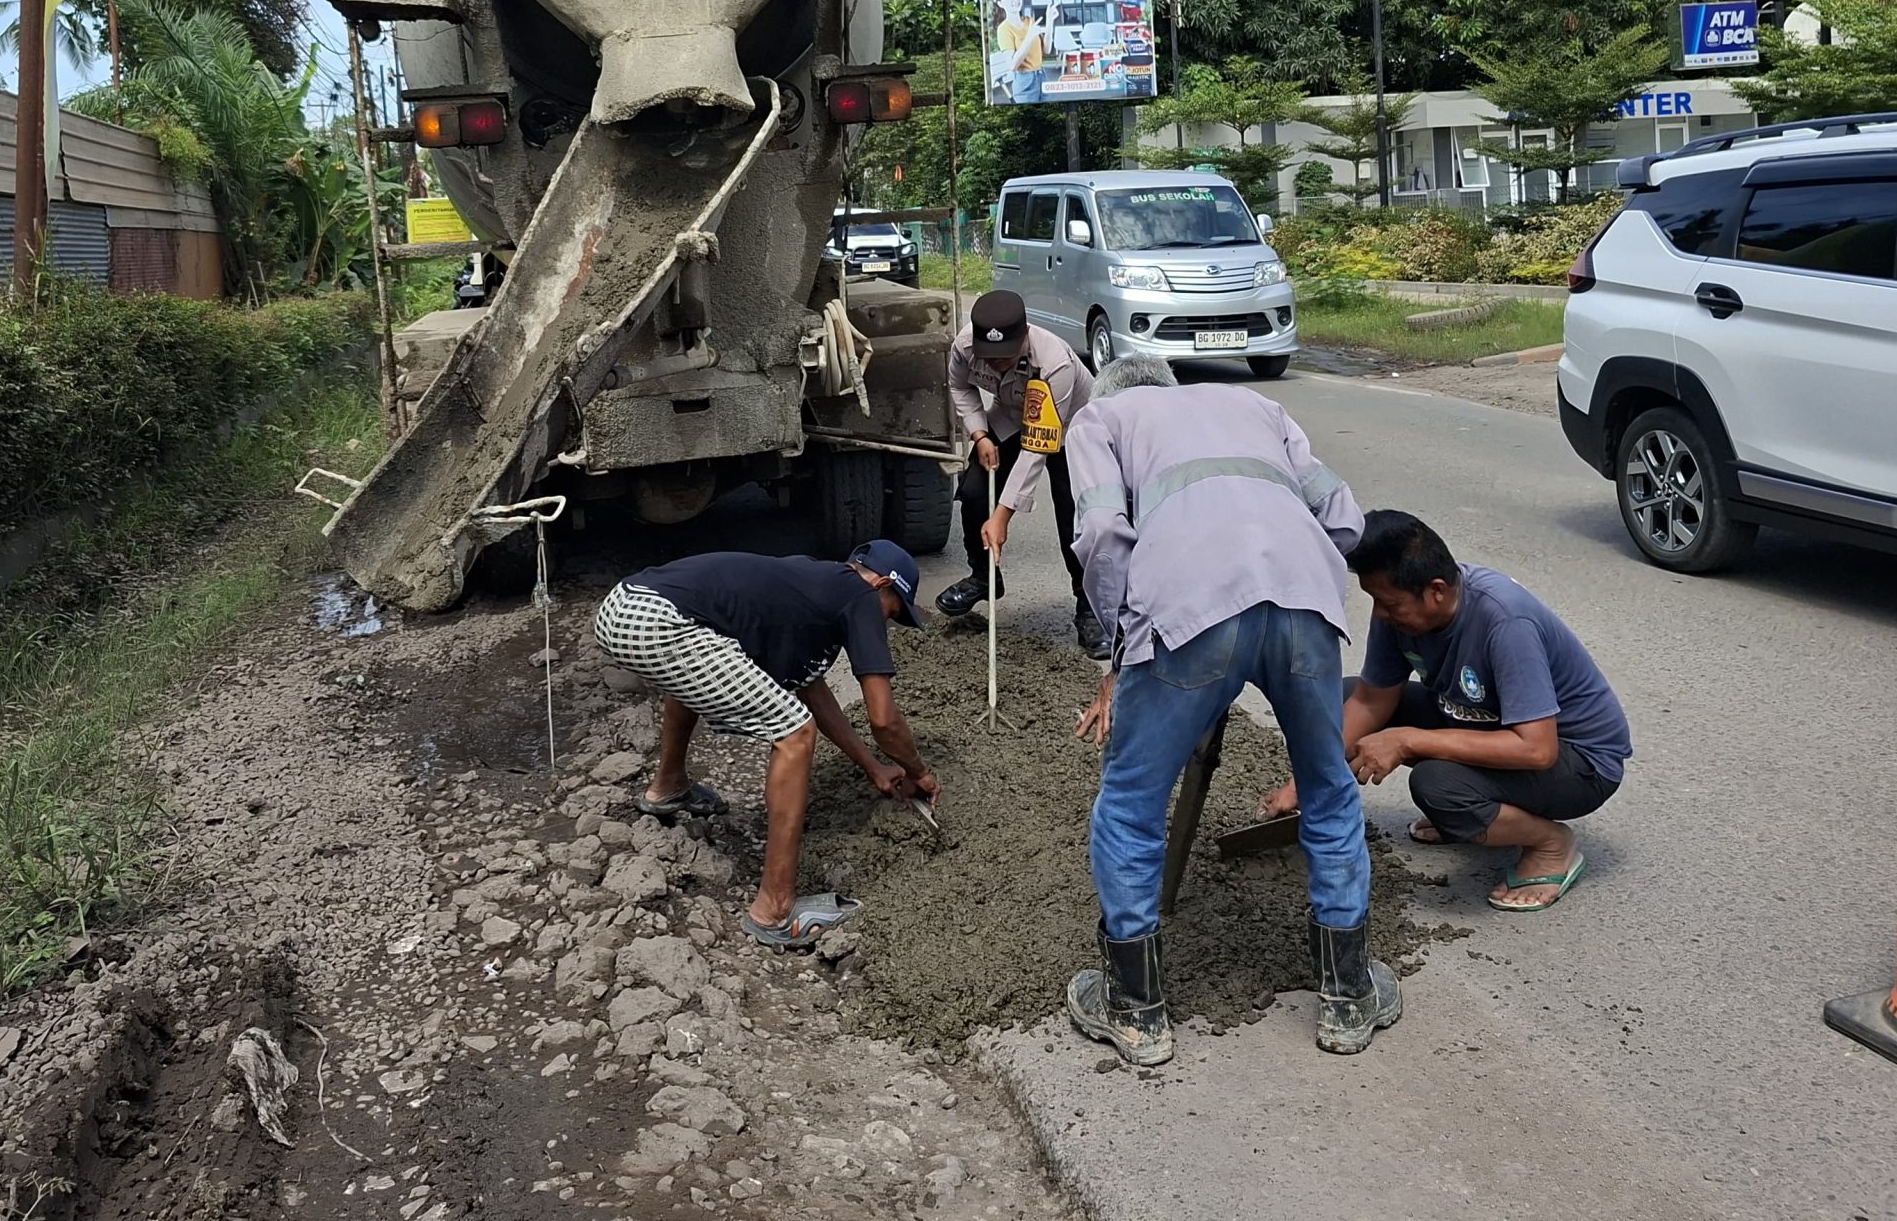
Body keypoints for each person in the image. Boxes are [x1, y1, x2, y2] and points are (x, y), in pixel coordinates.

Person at [1063, 355, 1399, 1066]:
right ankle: (1348, 996)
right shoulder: (1256, 407)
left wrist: (1126, 642)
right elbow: (1344, 519)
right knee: (1329, 790)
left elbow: (1100, 536)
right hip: (1304, 599)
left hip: (1187, 612)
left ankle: (1137, 1011)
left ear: (1114, 393)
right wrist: (1300, 573)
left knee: (1130, 805)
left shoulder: (1099, 418)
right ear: (1170, 389)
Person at [1263, 510, 1629, 913]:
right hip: (1487, 721)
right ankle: (1477, 816)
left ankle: (1549, 843)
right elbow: (1370, 701)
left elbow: (1538, 750)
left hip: (1579, 763)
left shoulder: (1506, 622)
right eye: (1375, 600)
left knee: (1438, 786)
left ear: (1436, 590)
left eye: (1389, 603)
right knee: (1343, 697)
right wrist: (1306, 781)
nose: (1380, 613)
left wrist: (1408, 741)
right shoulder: (1398, 616)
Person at [592, 539, 938, 951]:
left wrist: (873, 766)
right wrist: (919, 771)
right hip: (659, 621)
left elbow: (811, 688)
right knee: (795, 732)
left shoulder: (813, 585)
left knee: (693, 668)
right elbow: (884, 720)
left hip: (624, 605)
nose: (885, 624)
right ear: (882, 584)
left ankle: (669, 786)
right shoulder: (861, 596)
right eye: (893, 612)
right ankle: (775, 909)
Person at [941, 288, 1097, 651]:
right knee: (974, 491)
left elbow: (1036, 448)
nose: (996, 363)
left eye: (1005, 356)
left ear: (1024, 336)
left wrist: (1002, 517)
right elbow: (959, 387)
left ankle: (1089, 606)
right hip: (1011, 417)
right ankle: (983, 576)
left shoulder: (1054, 362)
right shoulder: (964, 346)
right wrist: (980, 435)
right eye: (990, 356)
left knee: (1073, 515)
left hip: (1069, 428)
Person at [988, 0, 1049, 103]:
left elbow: (1046, 50)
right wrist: (1030, 36)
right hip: (1024, 82)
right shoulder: (1004, 29)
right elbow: (1012, 65)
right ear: (1000, 3)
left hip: (1043, 77)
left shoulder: (1030, 21)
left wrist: (1050, 21)